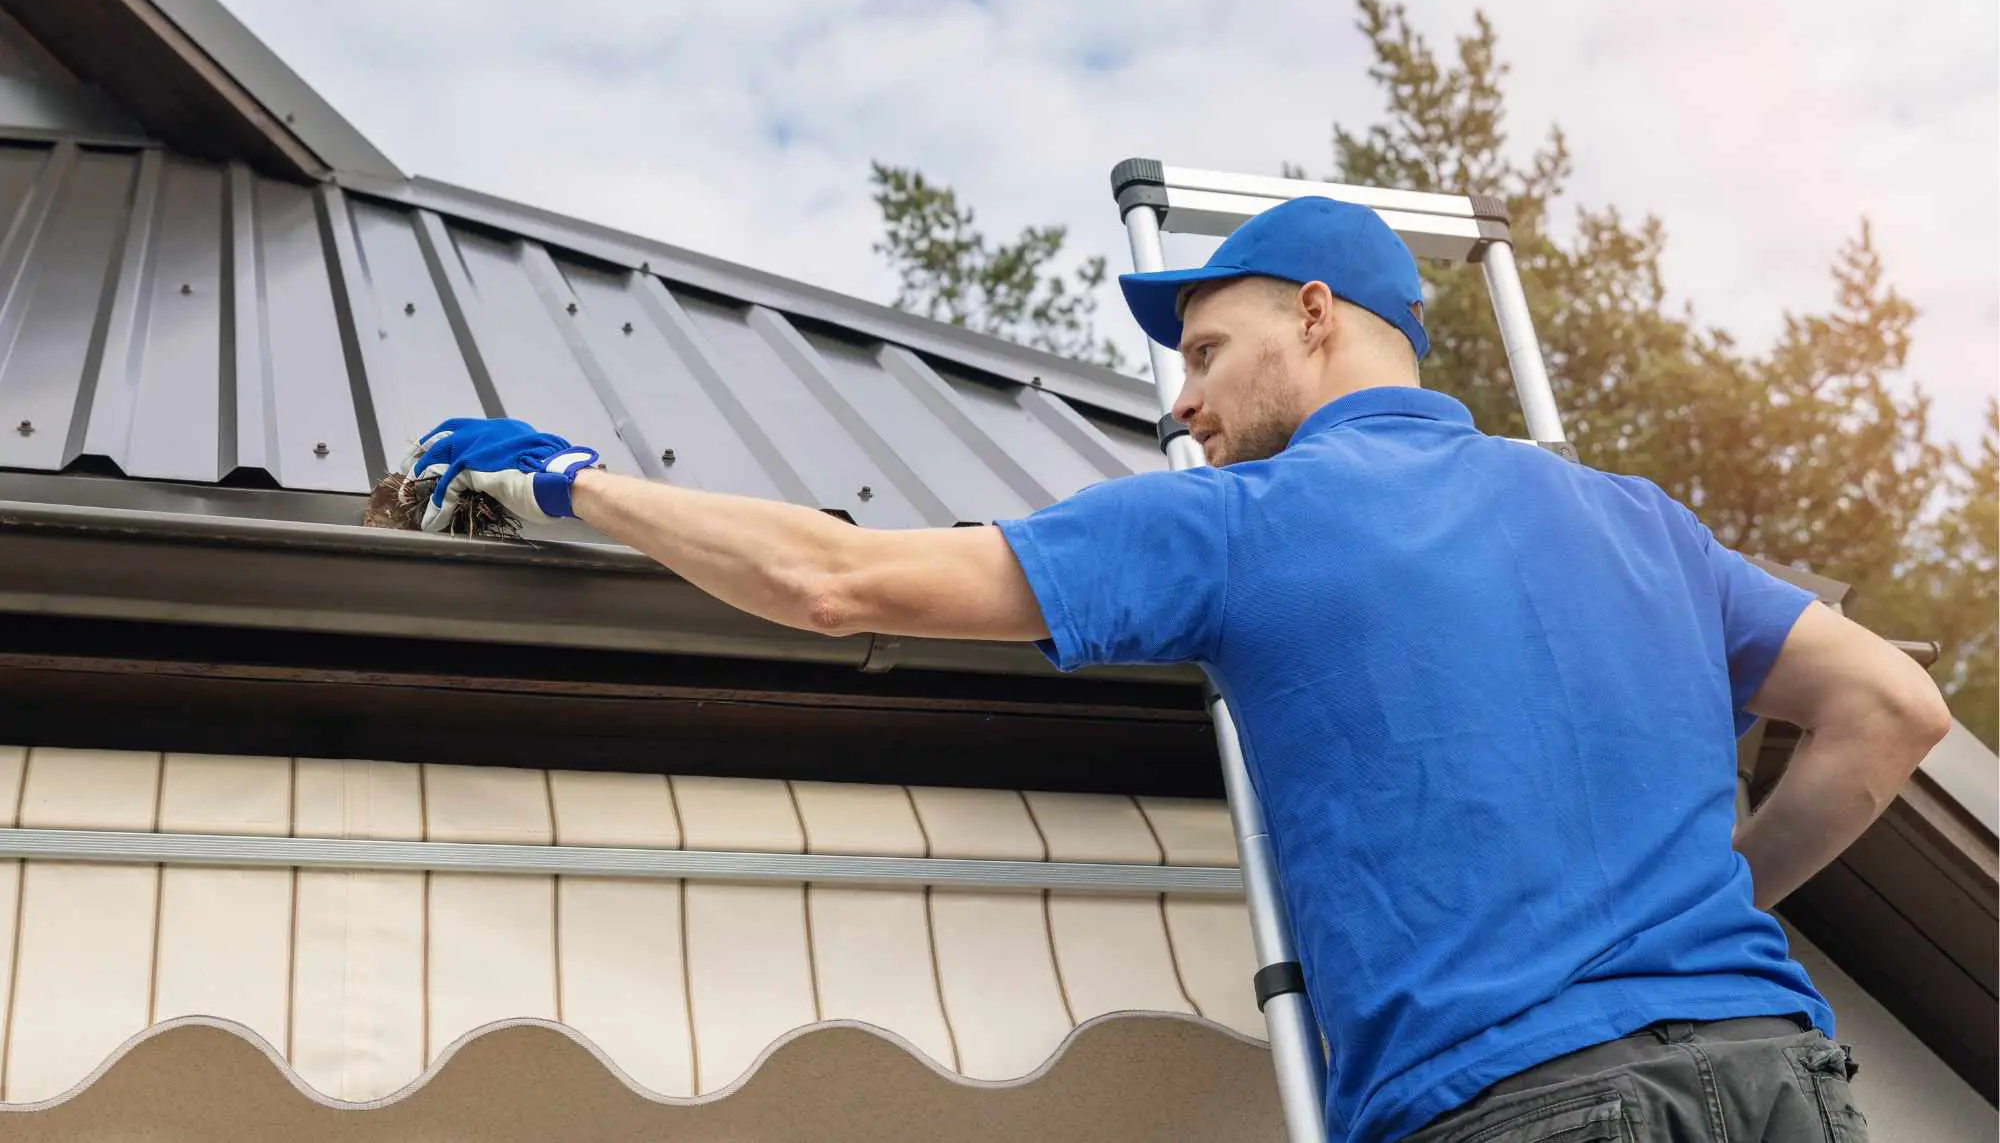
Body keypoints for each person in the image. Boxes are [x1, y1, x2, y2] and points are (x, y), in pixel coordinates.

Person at [403, 196, 1947, 1143]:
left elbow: (837, 578)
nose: (1186, 406)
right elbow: (1892, 711)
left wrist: (569, 479)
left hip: (1517, 1107)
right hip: (1778, 1084)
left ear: (1320, 321)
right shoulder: (1640, 521)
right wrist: (1720, 906)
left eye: (1205, 353)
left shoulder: (1248, 523)